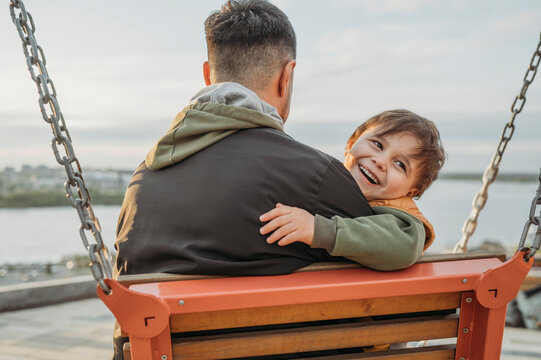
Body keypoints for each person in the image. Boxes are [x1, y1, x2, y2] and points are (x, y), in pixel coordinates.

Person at [114, 0, 382, 279]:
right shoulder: (320, 176)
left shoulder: (143, 179)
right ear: (286, 77)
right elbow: (387, 257)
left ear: (208, 77)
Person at [260, 109, 446, 269]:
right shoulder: (325, 184)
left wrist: (319, 230)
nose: (380, 162)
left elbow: (404, 245)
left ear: (411, 191)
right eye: (378, 144)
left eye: (399, 164)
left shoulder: (403, 220)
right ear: (350, 144)